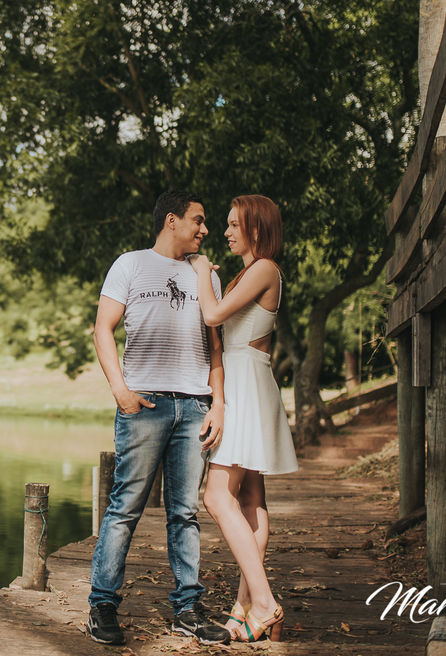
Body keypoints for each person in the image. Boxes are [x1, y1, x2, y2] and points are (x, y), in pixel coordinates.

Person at [85, 189, 231, 647]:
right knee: (125, 507)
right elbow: (102, 328)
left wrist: (218, 403)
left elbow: (216, 345)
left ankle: (187, 608)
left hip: (193, 406)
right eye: (199, 220)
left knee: (184, 514)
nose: (205, 230)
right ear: (172, 220)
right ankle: (102, 606)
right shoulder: (129, 264)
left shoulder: (205, 272)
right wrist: (120, 390)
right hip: (144, 405)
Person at [191, 195, 298, 643]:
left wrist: (199, 273)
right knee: (251, 497)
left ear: (257, 227)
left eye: (235, 225)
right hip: (244, 379)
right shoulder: (250, 271)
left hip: (245, 385)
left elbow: (213, 314)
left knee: (217, 496)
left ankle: (266, 602)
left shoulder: (264, 268)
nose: (227, 231)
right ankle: (244, 609)